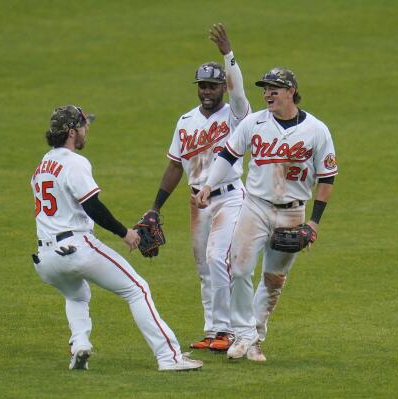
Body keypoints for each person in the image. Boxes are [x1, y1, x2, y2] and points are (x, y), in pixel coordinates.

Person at [30, 105, 202, 372]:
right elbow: (92, 206)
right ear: (72, 132)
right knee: (137, 289)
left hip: (46, 259)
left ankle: (79, 344)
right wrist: (125, 233)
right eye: (85, 126)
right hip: (76, 247)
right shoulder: (74, 163)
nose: (88, 131)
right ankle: (170, 357)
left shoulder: (42, 165)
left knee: (77, 295)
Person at [196, 68, 338, 361]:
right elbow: (228, 155)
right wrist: (209, 185)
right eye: (265, 88)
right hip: (256, 207)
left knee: (274, 280)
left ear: (291, 92)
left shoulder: (316, 130)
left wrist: (314, 221)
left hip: (293, 212)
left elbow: (327, 177)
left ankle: (256, 336)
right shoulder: (253, 122)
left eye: (275, 88)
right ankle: (244, 333)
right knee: (239, 269)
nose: (268, 93)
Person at [144, 23, 250, 352]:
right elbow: (176, 165)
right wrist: (156, 207)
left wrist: (228, 54)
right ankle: (214, 331)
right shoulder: (186, 121)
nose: (207, 91)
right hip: (197, 203)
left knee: (219, 259)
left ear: (221, 87)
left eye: (213, 86)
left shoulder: (236, 115)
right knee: (204, 267)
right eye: (202, 86)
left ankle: (229, 330)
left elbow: (239, 93)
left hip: (230, 198)